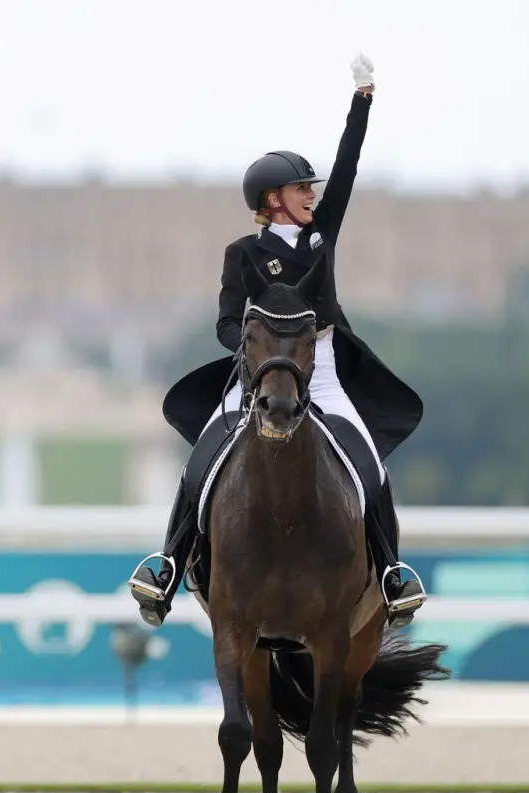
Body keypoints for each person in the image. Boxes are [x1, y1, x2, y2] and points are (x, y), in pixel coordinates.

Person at [128, 53, 429, 629]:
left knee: (369, 466)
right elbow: (224, 321)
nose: (311, 193)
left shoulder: (321, 236)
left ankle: (391, 572)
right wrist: (249, 348)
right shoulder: (244, 254)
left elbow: (348, 169)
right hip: (261, 376)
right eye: (299, 187)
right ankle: (167, 563)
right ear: (271, 200)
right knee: (204, 461)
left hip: (324, 374)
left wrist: (362, 100)